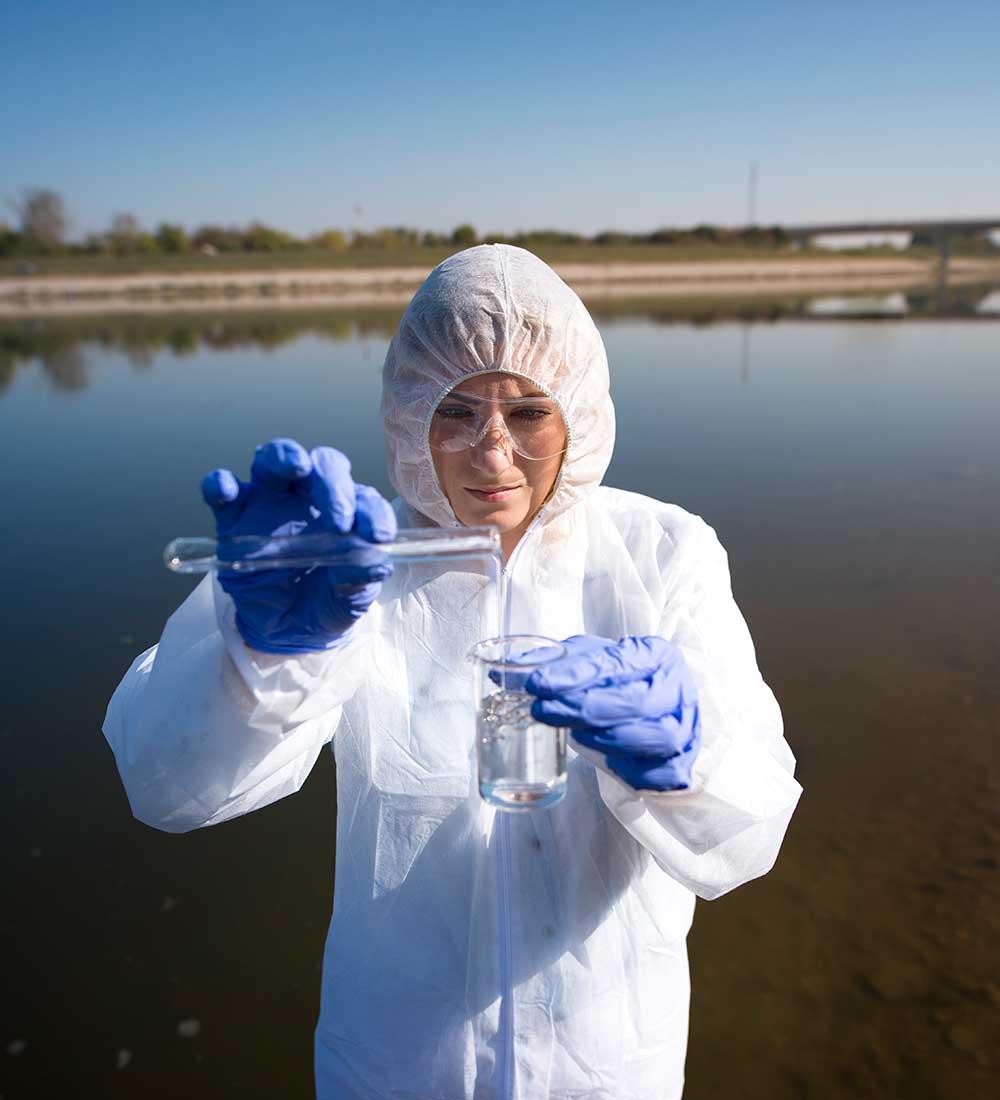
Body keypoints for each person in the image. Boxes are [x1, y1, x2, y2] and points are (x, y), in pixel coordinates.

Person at [104, 244, 802, 1099]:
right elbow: (167, 787)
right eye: (457, 411)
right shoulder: (352, 567)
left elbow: (747, 840)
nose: (492, 454)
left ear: (578, 410)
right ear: (409, 414)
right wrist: (263, 654)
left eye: (530, 412)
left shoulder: (662, 555)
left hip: (608, 1064)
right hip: (397, 1066)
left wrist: (683, 763)